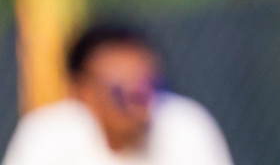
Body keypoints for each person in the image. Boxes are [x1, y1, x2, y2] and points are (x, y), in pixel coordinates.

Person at [0, 20, 233, 165]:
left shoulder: (185, 126)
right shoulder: (48, 134)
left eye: (147, 87)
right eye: (120, 91)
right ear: (82, 91)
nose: (138, 103)